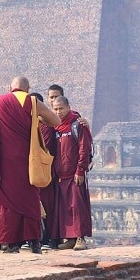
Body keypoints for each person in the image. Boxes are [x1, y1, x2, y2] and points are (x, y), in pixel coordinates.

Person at [0, 76, 60, 253]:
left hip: (2, 162)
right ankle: (34, 241)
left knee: (6, 202)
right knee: (29, 199)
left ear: (10, 88)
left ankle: (9, 242)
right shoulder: (32, 102)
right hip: (26, 161)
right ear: (28, 89)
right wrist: (37, 120)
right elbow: (56, 121)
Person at [52, 95, 93, 250]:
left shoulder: (77, 125)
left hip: (75, 173)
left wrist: (80, 170)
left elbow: (84, 148)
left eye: (61, 108)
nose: (58, 112)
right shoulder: (55, 127)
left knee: (77, 206)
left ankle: (80, 238)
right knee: (64, 208)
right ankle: (69, 237)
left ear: (68, 107)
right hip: (61, 175)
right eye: (55, 109)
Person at [31, 93, 59, 248]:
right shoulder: (30, 124)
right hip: (31, 170)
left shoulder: (45, 126)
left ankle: (47, 238)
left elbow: (43, 149)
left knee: (46, 206)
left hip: (43, 171)